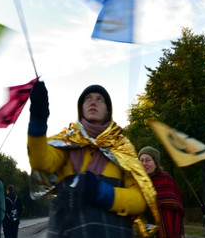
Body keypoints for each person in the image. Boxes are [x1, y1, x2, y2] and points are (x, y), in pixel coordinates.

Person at [27, 81, 158, 237]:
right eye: (88, 98)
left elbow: (139, 201)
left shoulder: (122, 147)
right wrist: (38, 119)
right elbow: (41, 162)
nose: (93, 102)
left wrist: (101, 192)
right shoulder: (66, 142)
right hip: (67, 231)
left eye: (99, 99)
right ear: (81, 108)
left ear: (108, 111)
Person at [138, 146, 185, 238]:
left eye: (148, 160)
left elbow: (175, 202)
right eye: (141, 160)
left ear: (155, 163)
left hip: (165, 221)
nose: (144, 163)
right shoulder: (137, 180)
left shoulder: (164, 178)